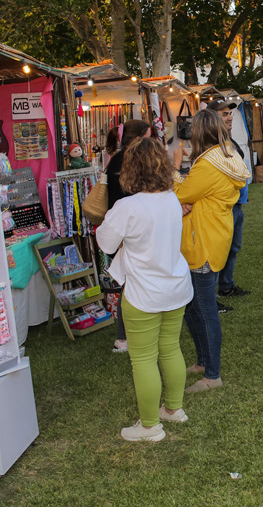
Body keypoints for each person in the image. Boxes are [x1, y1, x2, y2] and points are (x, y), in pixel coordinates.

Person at [95, 137, 192, 442]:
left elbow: (105, 243)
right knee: (170, 348)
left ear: (130, 169)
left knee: (144, 359)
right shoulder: (172, 199)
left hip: (143, 293)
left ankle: (150, 426)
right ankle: (173, 409)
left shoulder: (128, 206)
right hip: (175, 286)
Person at [174, 110, 250, 393]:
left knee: (204, 309)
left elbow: (182, 194)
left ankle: (213, 374)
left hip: (202, 241)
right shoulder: (226, 154)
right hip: (211, 235)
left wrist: (174, 169)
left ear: (197, 134)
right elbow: (192, 192)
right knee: (191, 305)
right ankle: (204, 362)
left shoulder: (207, 165)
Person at [104, 119, 152, 353]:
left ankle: (125, 336)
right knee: (131, 284)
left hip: (123, 227)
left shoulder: (116, 159)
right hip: (129, 229)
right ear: (137, 139)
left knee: (130, 282)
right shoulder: (130, 161)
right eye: (148, 137)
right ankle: (124, 337)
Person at [207, 98, 252, 300]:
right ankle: (211, 296)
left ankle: (226, 286)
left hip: (236, 204)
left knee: (233, 247)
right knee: (218, 251)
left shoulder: (227, 138)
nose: (230, 117)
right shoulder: (210, 142)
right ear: (212, 117)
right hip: (224, 206)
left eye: (230, 113)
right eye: (224, 114)